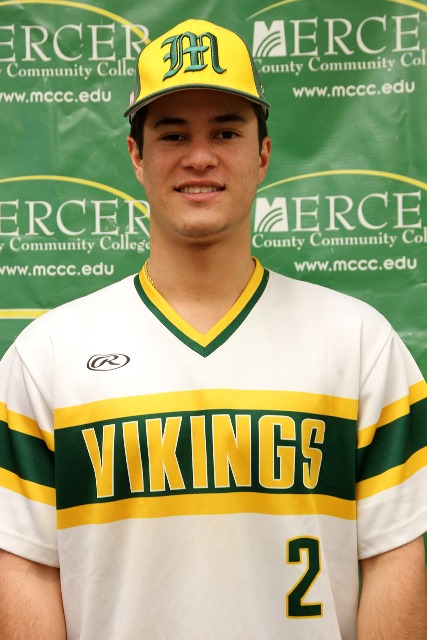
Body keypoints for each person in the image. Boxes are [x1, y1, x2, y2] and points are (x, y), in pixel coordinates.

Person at [0, 17, 426, 640]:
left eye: (226, 132)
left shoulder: (360, 342)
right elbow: (26, 568)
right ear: (136, 156)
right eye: (173, 134)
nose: (199, 157)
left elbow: (393, 558)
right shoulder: (49, 354)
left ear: (263, 154)